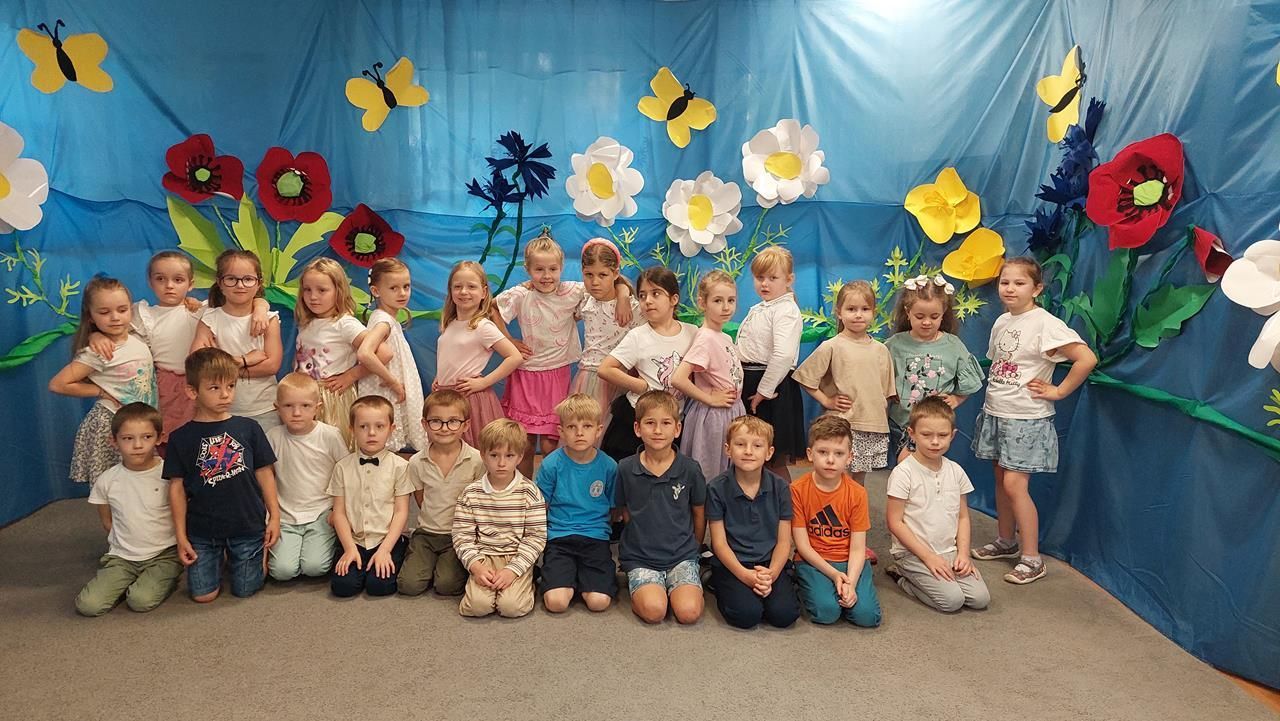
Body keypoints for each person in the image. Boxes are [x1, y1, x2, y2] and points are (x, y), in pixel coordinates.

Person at [971, 258, 1097, 585]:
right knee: (1001, 478)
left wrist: (1059, 391)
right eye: (1005, 282)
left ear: (1037, 288)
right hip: (997, 410)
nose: (1010, 289)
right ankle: (1006, 540)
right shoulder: (1002, 321)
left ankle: (1032, 558)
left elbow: (1086, 359)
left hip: (1026, 418)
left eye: (1019, 283)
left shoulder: (1045, 323)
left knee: (1015, 484)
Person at [85, 251, 268, 447]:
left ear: (190, 284)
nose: (169, 286)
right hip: (167, 386)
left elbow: (252, 300)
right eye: (161, 279)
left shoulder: (203, 310)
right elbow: (116, 329)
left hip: (204, 383)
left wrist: (260, 307)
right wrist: (95, 335)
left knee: (207, 434)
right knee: (169, 437)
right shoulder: (144, 314)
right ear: (150, 282)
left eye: (178, 280)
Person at [494, 229, 631, 477]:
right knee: (524, 442)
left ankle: (554, 486)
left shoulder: (573, 291)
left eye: (552, 269)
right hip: (526, 375)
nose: (546, 276)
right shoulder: (522, 294)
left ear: (562, 268)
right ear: (528, 269)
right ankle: (525, 490)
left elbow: (613, 281)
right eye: (539, 269)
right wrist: (509, 340)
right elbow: (493, 307)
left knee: (553, 442)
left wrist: (623, 295)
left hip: (558, 375)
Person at [163, 347, 280, 603]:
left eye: (231, 386)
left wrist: (274, 516)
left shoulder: (249, 428)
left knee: (245, 589)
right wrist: (181, 536)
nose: (225, 394)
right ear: (192, 391)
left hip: (247, 525)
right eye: (214, 388)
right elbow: (177, 488)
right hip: (204, 531)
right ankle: (221, 557)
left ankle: (254, 557)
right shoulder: (180, 438)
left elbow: (265, 472)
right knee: (204, 596)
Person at [74, 403, 182, 616]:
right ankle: (126, 579)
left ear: (159, 438)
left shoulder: (170, 474)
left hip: (164, 554)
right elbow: (107, 522)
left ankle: (165, 575)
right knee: (88, 605)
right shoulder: (107, 480)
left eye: (146, 437)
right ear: (114, 441)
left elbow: (182, 512)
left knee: (140, 601)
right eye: (128, 438)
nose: (138, 445)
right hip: (122, 558)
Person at [884, 397, 990, 612]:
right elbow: (895, 522)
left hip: (949, 551)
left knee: (980, 599)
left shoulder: (956, 471)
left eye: (942, 435)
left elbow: (962, 517)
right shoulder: (903, 473)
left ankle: (935, 575)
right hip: (913, 553)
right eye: (926, 435)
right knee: (951, 601)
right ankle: (902, 575)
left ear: (952, 435)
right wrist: (928, 557)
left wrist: (963, 554)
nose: (935, 442)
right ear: (912, 433)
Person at [50, 275, 159, 484]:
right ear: (91, 316)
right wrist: (100, 391)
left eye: (122, 310)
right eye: (104, 312)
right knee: (110, 484)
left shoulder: (138, 337)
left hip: (139, 424)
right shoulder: (98, 352)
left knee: (138, 481)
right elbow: (58, 384)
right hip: (111, 423)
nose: (115, 317)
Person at [615, 390, 706, 624]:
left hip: (682, 555)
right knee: (654, 612)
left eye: (666, 423)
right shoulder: (625, 468)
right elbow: (624, 511)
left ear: (677, 429)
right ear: (637, 428)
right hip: (641, 557)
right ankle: (647, 589)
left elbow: (698, 512)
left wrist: (693, 548)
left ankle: (682, 582)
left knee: (688, 613)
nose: (658, 430)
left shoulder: (690, 469)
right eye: (650, 423)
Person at [706, 415, 799, 629]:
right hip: (733, 563)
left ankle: (773, 584)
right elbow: (719, 543)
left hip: (770, 562)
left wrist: (772, 574)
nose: (748, 451)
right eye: (740, 444)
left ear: (769, 452)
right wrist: (745, 576)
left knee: (784, 615)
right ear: (728, 449)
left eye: (757, 446)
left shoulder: (781, 488)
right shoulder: (716, 488)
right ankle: (717, 582)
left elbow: (784, 542)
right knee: (747, 615)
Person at [597, 267, 698, 462]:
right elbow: (606, 369)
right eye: (642, 296)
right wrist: (640, 386)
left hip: (673, 419)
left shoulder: (692, 332)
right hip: (640, 418)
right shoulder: (638, 336)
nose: (648, 301)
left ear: (674, 299)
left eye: (656, 294)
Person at [790, 415, 881, 627]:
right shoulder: (797, 490)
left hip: (850, 560)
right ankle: (804, 583)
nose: (830, 460)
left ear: (849, 457)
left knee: (867, 617)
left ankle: (851, 586)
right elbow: (802, 546)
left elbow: (858, 548)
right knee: (827, 613)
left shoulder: (857, 493)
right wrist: (834, 574)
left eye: (839, 453)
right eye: (823, 452)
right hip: (813, 560)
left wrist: (850, 582)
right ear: (810, 454)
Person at [452, 419, 547, 618]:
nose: (502, 463)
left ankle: (528, 581)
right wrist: (476, 566)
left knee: (511, 607)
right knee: (476, 607)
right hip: (483, 557)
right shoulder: (471, 493)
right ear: (483, 455)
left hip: (517, 555)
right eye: (494, 455)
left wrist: (513, 570)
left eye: (509, 456)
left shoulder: (530, 492)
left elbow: (536, 537)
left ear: (520, 457)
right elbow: (462, 536)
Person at [884, 274, 984, 463]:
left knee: (923, 468)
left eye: (934, 316)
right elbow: (880, 376)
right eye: (919, 316)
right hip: (901, 422)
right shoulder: (895, 344)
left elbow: (970, 382)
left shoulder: (952, 345)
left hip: (934, 426)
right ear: (907, 312)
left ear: (943, 312)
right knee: (906, 468)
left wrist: (956, 399)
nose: (927, 322)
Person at [398, 389, 485, 597]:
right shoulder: (416, 462)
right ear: (424, 424)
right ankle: (424, 562)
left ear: (466, 425)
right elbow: (420, 499)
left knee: (447, 585)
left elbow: (480, 501)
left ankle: (444, 567)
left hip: (459, 535)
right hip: (426, 534)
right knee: (408, 585)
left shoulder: (476, 460)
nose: (445, 428)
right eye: (436, 421)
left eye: (453, 421)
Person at [536, 394, 618, 613]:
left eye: (587, 426)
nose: (579, 433)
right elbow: (540, 506)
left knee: (599, 602)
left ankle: (585, 579)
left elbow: (614, 508)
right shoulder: (551, 464)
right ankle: (567, 578)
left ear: (598, 430)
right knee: (556, 603)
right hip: (560, 538)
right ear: (561, 431)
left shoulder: (609, 466)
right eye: (572, 427)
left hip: (595, 538)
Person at [294, 258, 385, 449]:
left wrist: (352, 375)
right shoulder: (307, 322)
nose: (313, 296)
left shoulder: (345, 324)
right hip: (305, 397)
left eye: (322, 290)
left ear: (338, 291)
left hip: (332, 398)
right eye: (307, 290)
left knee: (333, 448)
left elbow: (383, 352)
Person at [265, 373, 348, 581]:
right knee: (282, 571)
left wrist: (338, 510)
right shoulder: (273, 437)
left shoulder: (330, 435)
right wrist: (271, 515)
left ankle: (329, 543)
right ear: (277, 408)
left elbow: (346, 473)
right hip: (286, 515)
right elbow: (268, 477)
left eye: (305, 406)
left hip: (321, 513)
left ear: (317, 408)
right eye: (288, 406)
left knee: (314, 567)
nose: (296, 413)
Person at [328, 395, 413, 597]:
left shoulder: (400, 467)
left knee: (380, 587)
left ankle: (397, 552)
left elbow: (401, 512)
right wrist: (349, 548)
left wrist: (384, 550)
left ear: (391, 429)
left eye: (379, 426)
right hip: (354, 539)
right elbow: (338, 513)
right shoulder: (342, 467)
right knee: (343, 587)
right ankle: (353, 557)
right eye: (363, 427)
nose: (371, 433)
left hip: (386, 539)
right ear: (352, 429)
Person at [191, 250, 283, 434]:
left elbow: (272, 365)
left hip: (265, 408)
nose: (240, 285)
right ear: (220, 283)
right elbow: (200, 364)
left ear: (258, 283)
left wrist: (224, 367)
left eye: (248, 279)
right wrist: (245, 359)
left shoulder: (269, 319)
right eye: (231, 279)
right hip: (222, 411)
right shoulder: (210, 319)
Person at [433, 260, 523, 449]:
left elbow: (514, 357)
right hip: (445, 397)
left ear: (483, 292)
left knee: (473, 450)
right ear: (451, 291)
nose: (464, 292)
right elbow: (451, 355)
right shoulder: (450, 323)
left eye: (471, 287)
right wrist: (439, 377)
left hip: (469, 398)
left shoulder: (483, 326)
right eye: (458, 287)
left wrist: (484, 382)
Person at [670, 269, 744, 480]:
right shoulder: (705, 338)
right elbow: (678, 378)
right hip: (714, 417)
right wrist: (709, 399)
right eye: (718, 301)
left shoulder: (724, 337)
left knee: (729, 472)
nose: (726, 307)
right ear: (703, 303)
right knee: (711, 472)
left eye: (731, 300)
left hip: (731, 411)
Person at [569, 237, 641, 435]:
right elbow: (553, 291)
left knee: (612, 434)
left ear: (615, 273)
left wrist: (623, 295)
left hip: (620, 378)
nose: (595, 282)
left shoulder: (631, 307)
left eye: (602, 275)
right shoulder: (584, 299)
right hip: (589, 377)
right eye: (588, 274)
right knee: (585, 432)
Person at [356, 258, 427, 452]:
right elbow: (365, 353)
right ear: (376, 291)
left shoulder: (387, 320)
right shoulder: (383, 321)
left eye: (406, 286)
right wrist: (393, 382)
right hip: (386, 392)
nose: (402, 293)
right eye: (394, 288)